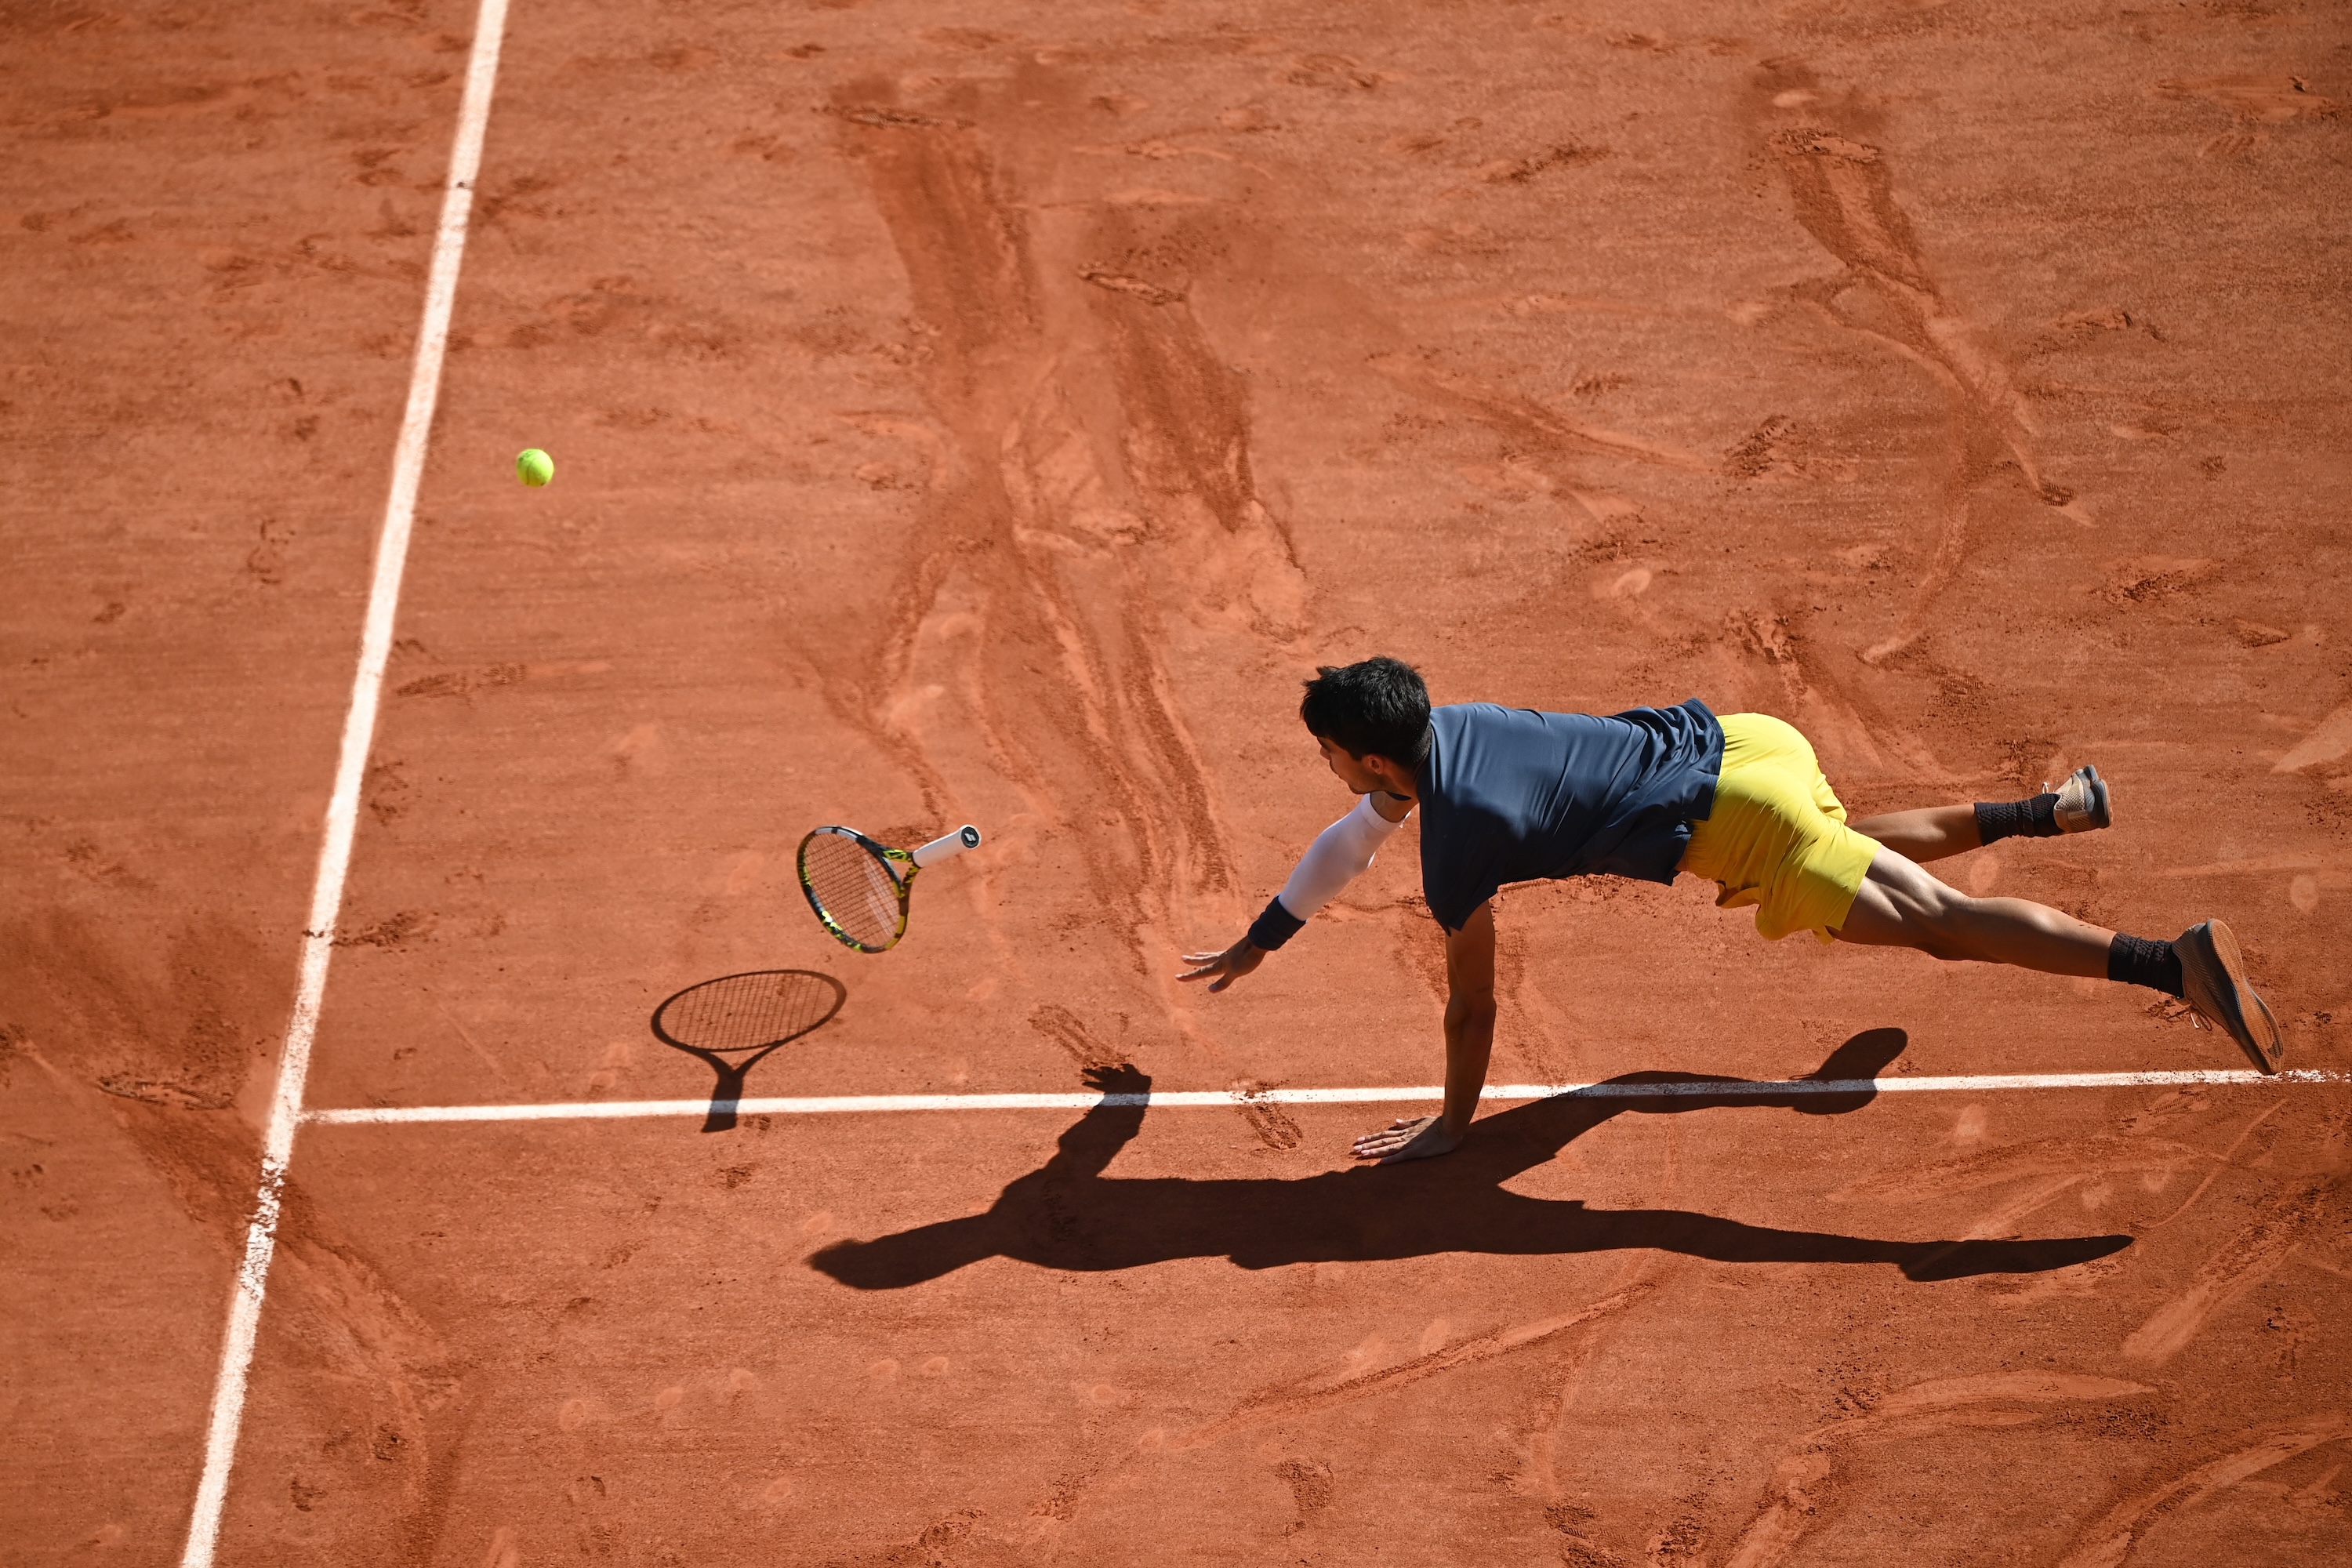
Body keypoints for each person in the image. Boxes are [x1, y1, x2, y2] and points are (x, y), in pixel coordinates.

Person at [1178, 655, 2284, 1163]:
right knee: (1845, 840)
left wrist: (1458, 1125)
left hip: (1740, 821)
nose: (1326, 766)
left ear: (1372, 751)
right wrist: (1263, 938)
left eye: (1327, 751)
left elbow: (1472, 1010)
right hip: (1747, 743)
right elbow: (1352, 839)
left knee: (1939, 925)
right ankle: (2047, 812)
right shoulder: (1443, 732)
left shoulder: (1459, 837)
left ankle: (2167, 964)